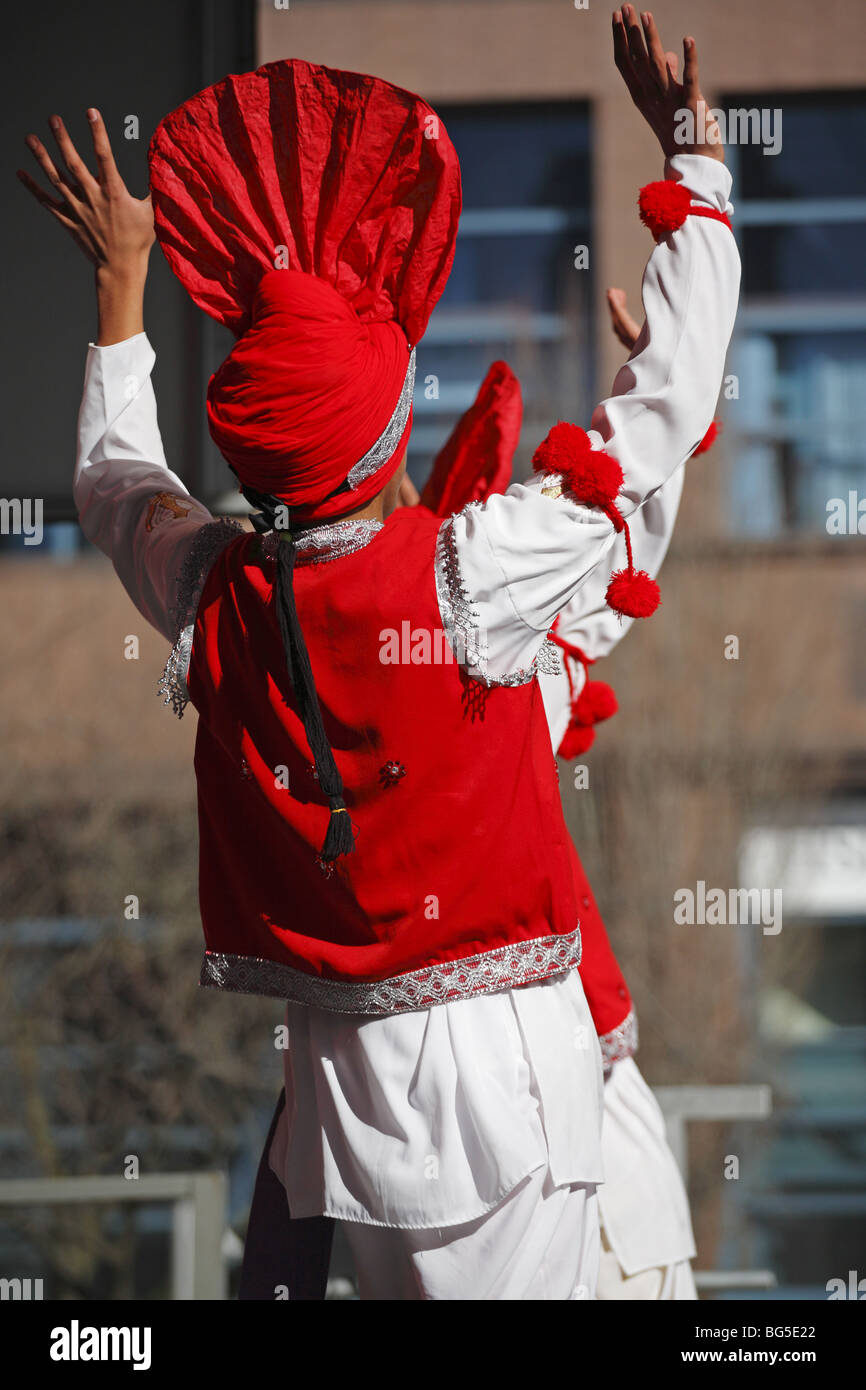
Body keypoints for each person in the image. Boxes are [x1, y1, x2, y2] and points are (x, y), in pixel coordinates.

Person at [19, 7, 739, 1299]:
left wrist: (120, 289)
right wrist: (693, 156)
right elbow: (666, 409)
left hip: (347, 1090)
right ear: (384, 428)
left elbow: (117, 487)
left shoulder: (215, 592)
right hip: (507, 1096)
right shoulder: (473, 576)